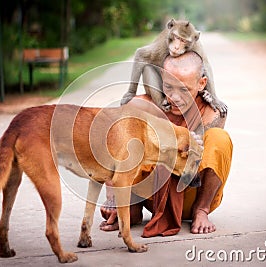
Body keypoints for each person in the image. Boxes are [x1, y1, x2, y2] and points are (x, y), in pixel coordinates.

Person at [99, 51, 233, 235]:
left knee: (220, 138)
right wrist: (113, 197)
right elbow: (114, 147)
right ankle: (132, 208)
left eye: (184, 89)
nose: (175, 97)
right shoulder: (142, 105)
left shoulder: (212, 113)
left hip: (191, 195)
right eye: (169, 87)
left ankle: (201, 210)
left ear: (202, 84)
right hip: (150, 196)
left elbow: (208, 161)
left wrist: (192, 146)